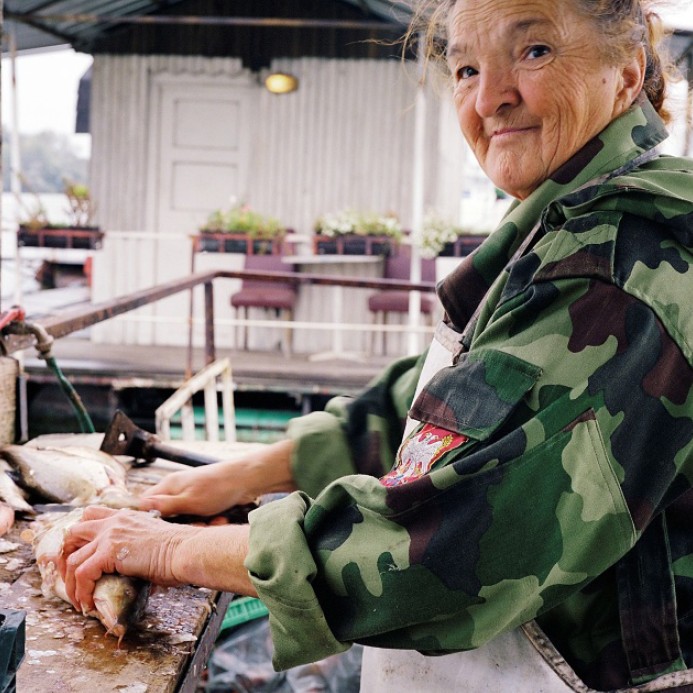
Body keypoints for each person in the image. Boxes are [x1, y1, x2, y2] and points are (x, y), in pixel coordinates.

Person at [61, 0, 693, 690]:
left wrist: (169, 548)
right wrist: (242, 475)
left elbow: (443, 552)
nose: (489, 98)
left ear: (625, 73)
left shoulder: (619, 264)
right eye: (465, 69)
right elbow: (454, 404)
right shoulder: (567, 220)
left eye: (534, 51)